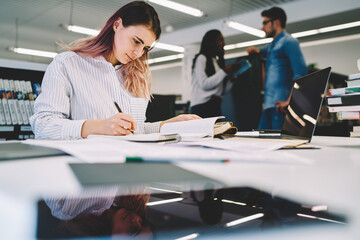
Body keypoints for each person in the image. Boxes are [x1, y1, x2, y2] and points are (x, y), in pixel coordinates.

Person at [30, 1, 199, 140]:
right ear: (117, 25)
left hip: (130, 169)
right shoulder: (67, 64)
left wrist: (169, 125)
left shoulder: (138, 76)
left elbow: (136, 132)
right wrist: (99, 126)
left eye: (145, 48)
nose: (138, 53)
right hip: (86, 169)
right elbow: (43, 126)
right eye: (136, 41)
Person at [247, 7, 307, 130]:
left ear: (276, 22)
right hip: (269, 106)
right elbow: (262, 51)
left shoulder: (289, 42)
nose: (262, 27)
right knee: (261, 143)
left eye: (265, 23)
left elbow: (301, 73)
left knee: (279, 146)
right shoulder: (271, 46)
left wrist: (290, 100)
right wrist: (255, 50)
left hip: (281, 107)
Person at [190, 29, 241, 118]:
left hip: (214, 106)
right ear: (211, 42)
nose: (224, 43)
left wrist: (231, 80)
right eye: (220, 40)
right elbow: (204, 84)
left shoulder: (216, 62)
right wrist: (224, 71)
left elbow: (221, 91)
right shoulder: (201, 58)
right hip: (202, 107)